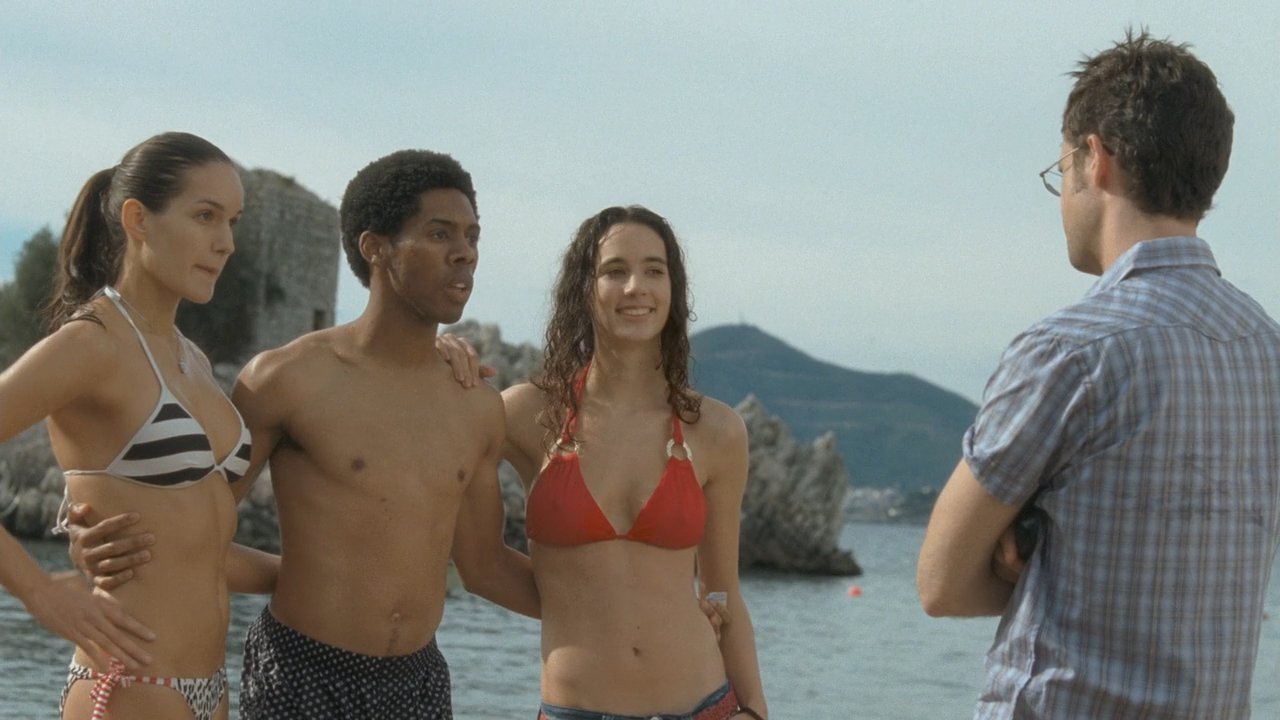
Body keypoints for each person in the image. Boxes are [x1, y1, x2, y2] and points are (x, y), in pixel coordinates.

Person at [916, 30, 1280, 719]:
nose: (1062, 196)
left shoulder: (1069, 350)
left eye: (1062, 172)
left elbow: (939, 583)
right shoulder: (1268, 352)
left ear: (1097, 159)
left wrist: (1026, 568)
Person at [0, 131, 278, 720]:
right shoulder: (92, 344)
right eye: (205, 216)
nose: (225, 243)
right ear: (138, 220)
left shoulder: (190, 358)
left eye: (232, 222)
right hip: (128, 683)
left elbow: (192, 548)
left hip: (208, 690)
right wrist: (38, 590)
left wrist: (318, 580)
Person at [500, 206, 767, 719]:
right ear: (584, 288)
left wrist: (755, 711)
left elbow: (723, 593)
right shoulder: (526, 414)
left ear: (673, 290)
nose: (635, 287)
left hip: (705, 706)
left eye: (653, 270)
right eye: (614, 270)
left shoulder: (716, 430)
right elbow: (476, 563)